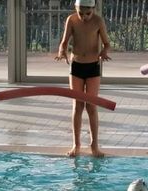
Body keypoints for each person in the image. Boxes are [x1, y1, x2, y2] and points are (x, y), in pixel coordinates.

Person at [55, 0, 111, 158]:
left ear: (94, 9)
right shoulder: (71, 20)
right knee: (78, 106)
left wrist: (104, 52)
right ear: (75, 8)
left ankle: (94, 145)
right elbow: (64, 42)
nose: (84, 17)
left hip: (93, 66)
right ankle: (76, 144)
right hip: (76, 67)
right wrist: (61, 51)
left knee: (91, 106)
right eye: (81, 13)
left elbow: (107, 43)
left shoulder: (98, 21)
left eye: (88, 13)